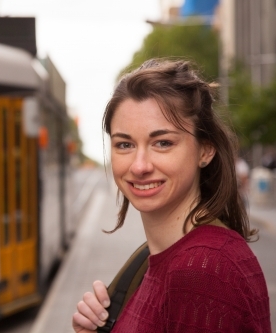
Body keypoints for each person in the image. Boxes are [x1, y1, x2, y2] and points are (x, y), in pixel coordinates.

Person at [72, 59, 271, 333]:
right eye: (125, 144)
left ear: (205, 150)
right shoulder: (158, 257)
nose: (140, 166)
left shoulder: (203, 270)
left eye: (163, 143)